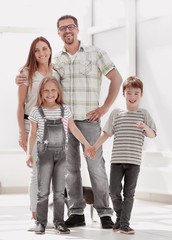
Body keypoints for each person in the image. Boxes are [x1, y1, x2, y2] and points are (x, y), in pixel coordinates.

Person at [16, 14, 123, 229]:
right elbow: (38, 77)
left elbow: (117, 79)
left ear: (77, 29)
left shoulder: (95, 53)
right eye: (62, 28)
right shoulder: (57, 61)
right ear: (58, 32)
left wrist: (104, 108)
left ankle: (104, 213)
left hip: (89, 122)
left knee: (96, 168)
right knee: (70, 170)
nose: (67, 31)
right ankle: (76, 212)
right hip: (63, 125)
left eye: (71, 27)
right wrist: (19, 77)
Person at [26, 76, 94, 234]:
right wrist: (29, 153)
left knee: (58, 191)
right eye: (46, 90)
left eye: (53, 90)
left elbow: (74, 129)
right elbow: (33, 133)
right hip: (44, 154)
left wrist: (87, 144)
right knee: (42, 191)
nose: (50, 93)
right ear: (41, 93)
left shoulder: (65, 109)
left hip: (61, 155)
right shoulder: (36, 111)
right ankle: (40, 222)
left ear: (58, 92)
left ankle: (59, 222)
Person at [91, 76, 157, 234]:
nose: (132, 97)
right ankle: (120, 219)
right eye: (129, 93)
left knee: (129, 193)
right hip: (117, 161)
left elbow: (153, 134)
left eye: (136, 93)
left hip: (134, 162)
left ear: (141, 94)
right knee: (113, 191)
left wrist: (145, 127)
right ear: (123, 94)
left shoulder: (144, 114)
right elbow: (106, 134)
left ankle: (124, 224)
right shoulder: (116, 113)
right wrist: (93, 147)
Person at [17, 36, 59, 231]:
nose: (41, 53)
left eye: (44, 48)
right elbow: (20, 104)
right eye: (37, 50)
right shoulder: (26, 73)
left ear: (50, 50)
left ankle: (46, 215)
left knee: (51, 173)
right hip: (30, 126)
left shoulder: (56, 73)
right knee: (36, 172)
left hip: (51, 127)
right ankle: (35, 216)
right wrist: (21, 132)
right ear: (32, 54)